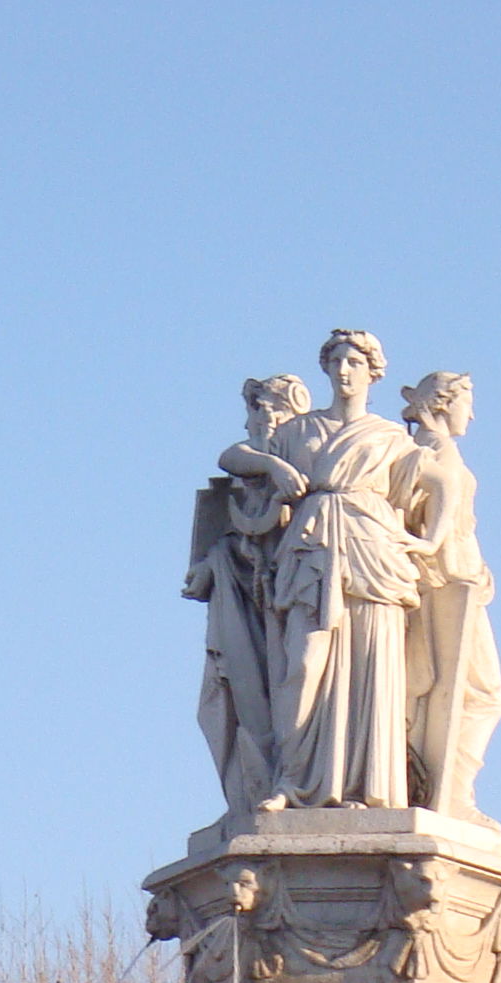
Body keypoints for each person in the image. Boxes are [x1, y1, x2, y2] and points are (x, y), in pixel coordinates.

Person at [231, 330, 424, 811]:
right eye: (335, 362)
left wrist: (431, 539)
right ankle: (290, 781)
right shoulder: (300, 431)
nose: (343, 371)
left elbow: (442, 482)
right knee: (303, 664)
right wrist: (272, 468)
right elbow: (232, 456)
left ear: (372, 371)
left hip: (372, 551)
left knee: (368, 669)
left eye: (353, 362)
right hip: (312, 549)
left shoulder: (390, 438)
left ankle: (366, 787)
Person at [188, 376, 309, 817]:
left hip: (297, 596)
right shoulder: (258, 461)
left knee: (297, 680)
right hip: (247, 596)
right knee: (243, 694)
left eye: (273, 407)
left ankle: (295, 778)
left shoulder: (308, 459)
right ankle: (257, 785)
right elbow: (231, 457)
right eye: (257, 409)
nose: (264, 417)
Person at [400, 371, 501, 823]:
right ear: (443, 403)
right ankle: (451, 793)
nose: (472, 412)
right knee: (475, 693)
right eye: (467, 401)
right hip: (443, 583)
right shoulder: (426, 452)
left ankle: (450, 790)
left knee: (466, 692)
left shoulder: (433, 450)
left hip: (461, 581)